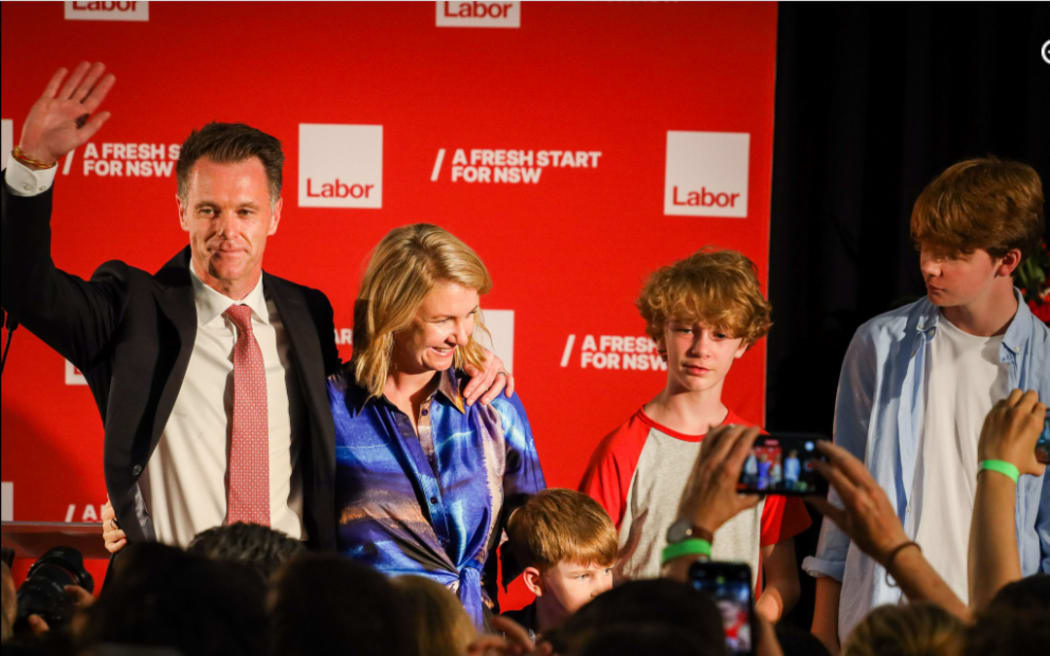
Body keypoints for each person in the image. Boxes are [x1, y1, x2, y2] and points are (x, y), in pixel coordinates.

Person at [2, 63, 511, 555]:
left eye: (245, 211)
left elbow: (372, 395)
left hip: (288, 602)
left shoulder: (307, 312)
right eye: (209, 210)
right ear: (181, 209)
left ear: (275, 214)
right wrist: (32, 165)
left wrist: (460, 359)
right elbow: (25, 288)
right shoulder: (129, 309)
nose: (228, 230)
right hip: (174, 596)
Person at [803, 157, 1050, 652]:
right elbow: (844, 493)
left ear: (1007, 261)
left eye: (954, 253)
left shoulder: (1044, 363)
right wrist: (823, 629)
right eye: (925, 248)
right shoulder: (879, 344)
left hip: (1001, 631)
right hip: (886, 622)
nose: (930, 267)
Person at [327, 223, 545, 629]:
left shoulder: (491, 404)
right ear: (394, 311)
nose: (461, 336)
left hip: (474, 637)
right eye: (444, 319)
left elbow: (541, 531)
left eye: (470, 316)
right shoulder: (332, 409)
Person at [579, 248, 809, 622]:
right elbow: (587, 574)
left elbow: (784, 583)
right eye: (686, 329)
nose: (701, 348)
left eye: (720, 334)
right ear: (659, 335)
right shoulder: (623, 447)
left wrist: (738, 637)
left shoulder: (765, 452)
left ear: (743, 344)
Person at [503, 488, 617, 639]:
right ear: (536, 582)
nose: (602, 588)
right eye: (583, 576)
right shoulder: (502, 640)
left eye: (607, 570)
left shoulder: (625, 642)